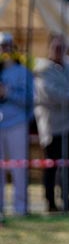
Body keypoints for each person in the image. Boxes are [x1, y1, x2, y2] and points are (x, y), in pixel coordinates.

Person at [33, 34, 69, 212]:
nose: (59, 51)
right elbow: (51, 94)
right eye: (56, 48)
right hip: (52, 126)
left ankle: (68, 198)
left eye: (62, 48)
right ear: (49, 48)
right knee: (51, 166)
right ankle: (50, 202)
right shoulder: (43, 70)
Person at [0, 32, 34, 217]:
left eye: (7, 46)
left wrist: (8, 93)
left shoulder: (23, 72)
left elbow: (29, 99)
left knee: (18, 168)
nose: (4, 50)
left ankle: (21, 208)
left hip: (17, 124)